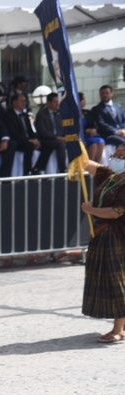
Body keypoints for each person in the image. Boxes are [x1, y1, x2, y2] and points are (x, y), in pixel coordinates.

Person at [80, 145, 125, 343]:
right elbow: (85, 163)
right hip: (101, 235)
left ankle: (118, 329)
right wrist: (75, 141)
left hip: (117, 236)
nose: (116, 157)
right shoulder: (110, 176)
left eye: (121, 156)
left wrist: (91, 210)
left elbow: (115, 212)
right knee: (107, 280)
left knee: (118, 282)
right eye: (116, 154)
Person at [3, 93, 56, 176]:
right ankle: (27, 171)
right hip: (17, 140)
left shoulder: (25, 114)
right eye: (22, 101)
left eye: (25, 101)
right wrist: (29, 140)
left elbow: (31, 130)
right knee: (29, 146)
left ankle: (38, 168)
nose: (24, 103)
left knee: (49, 145)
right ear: (14, 102)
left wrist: (36, 139)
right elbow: (13, 132)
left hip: (28, 139)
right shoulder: (8, 115)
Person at [34, 92, 67, 173]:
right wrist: (57, 137)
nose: (57, 104)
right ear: (48, 103)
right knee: (59, 144)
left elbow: (65, 127)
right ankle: (62, 169)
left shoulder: (60, 113)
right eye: (54, 102)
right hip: (47, 139)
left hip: (60, 138)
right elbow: (42, 131)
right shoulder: (42, 114)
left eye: (58, 102)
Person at [80, 92, 105, 163]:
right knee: (93, 145)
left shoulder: (87, 112)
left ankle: (97, 165)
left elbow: (93, 124)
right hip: (80, 136)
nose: (85, 101)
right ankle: (90, 167)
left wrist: (93, 130)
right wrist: (86, 131)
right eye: (83, 99)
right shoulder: (73, 114)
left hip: (89, 135)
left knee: (101, 141)